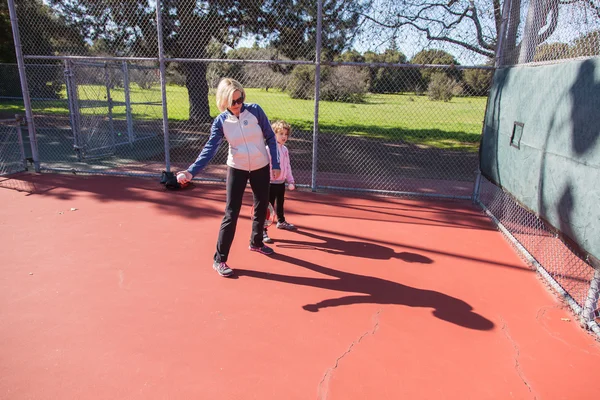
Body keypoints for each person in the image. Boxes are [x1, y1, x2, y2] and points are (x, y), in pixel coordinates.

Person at [177, 78, 280, 277]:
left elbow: (270, 137)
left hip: (261, 165)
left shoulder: (256, 111)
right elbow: (209, 150)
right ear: (224, 101)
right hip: (237, 167)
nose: (238, 104)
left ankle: (256, 242)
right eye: (233, 101)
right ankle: (220, 259)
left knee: (262, 204)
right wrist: (191, 172)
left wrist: (275, 164)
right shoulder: (221, 122)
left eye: (240, 98)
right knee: (231, 213)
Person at [263, 120, 297, 244]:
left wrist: (290, 180)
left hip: (281, 183)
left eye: (286, 134)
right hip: (270, 183)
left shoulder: (285, 150)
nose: (284, 136)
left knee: (280, 203)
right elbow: (264, 166)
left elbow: (287, 166)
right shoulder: (268, 149)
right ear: (274, 134)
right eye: (281, 133)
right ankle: (263, 230)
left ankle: (281, 221)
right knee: (268, 207)